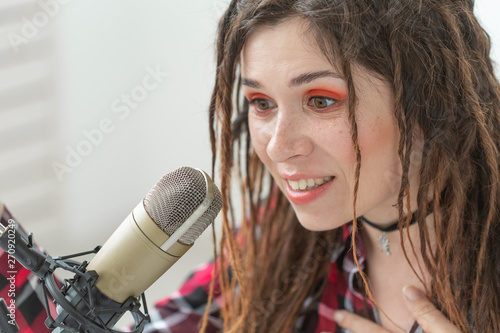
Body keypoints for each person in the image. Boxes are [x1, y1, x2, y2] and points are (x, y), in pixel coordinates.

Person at [1, 0, 498, 332]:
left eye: (322, 100)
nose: (279, 147)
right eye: (261, 103)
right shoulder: (281, 239)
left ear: (428, 97)